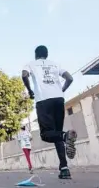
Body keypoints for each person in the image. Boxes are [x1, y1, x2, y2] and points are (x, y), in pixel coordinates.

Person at [22, 45, 77, 179]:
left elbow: (24, 75)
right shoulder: (55, 64)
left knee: (46, 134)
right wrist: (61, 90)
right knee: (57, 133)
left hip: (43, 101)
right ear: (46, 54)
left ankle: (66, 136)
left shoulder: (31, 64)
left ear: (36, 55)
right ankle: (64, 169)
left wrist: (29, 90)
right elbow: (70, 78)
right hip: (59, 99)